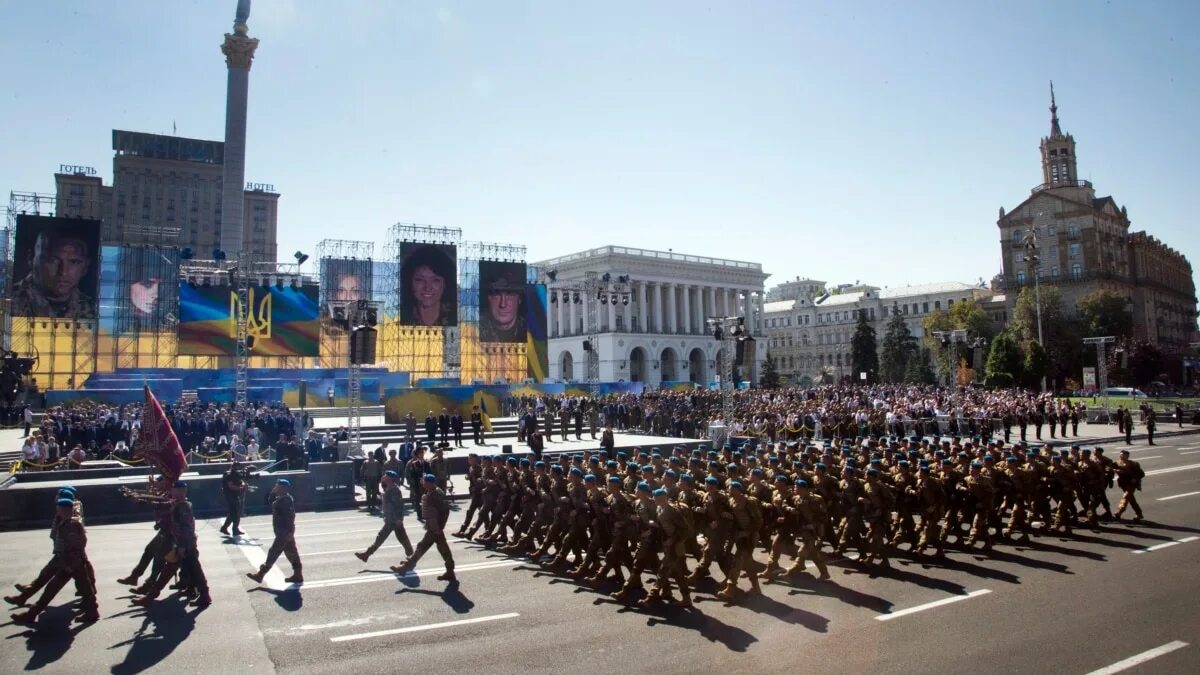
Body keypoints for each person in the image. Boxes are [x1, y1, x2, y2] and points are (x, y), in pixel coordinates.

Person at [9, 496, 98, 625]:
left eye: (60, 509)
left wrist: (68, 565)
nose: (58, 512)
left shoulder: (71, 525)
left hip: (70, 564)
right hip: (73, 563)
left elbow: (77, 545)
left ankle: (31, 614)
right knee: (85, 589)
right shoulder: (66, 522)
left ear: (67, 510)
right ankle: (92, 613)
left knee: (51, 589)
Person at [10, 225, 97, 319]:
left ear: (85, 267)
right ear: (31, 259)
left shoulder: (92, 309)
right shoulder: (9, 302)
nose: (63, 272)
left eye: (73, 262)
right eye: (52, 260)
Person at [391, 474, 456, 581]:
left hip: (435, 527)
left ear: (430, 482)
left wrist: (440, 527)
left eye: (424, 481)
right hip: (433, 526)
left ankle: (406, 567)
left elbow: (445, 511)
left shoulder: (436, 494)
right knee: (443, 548)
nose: (422, 482)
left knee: (422, 547)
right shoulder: (432, 492)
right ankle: (450, 571)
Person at [247, 479, 303, 585]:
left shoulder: (285, 500)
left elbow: (290, 517)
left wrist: (289, 532)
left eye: (277, 486)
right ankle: (298, 574)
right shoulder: (281, 498)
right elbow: (270, 502)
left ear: (283, 488)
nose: (275, 487)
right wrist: (273, 493)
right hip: (283, 532)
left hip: (284, 532)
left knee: (273, 552)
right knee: (292, 553)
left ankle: (260, 574)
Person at [356, 471, 414, 563]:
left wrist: (399, 519)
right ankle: (366, 555)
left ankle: (367, 554)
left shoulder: (394, 490)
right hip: (390, 518)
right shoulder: (389, 488)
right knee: (398, 537)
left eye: (386, 475)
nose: (383, 476)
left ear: (390, 478)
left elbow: (398, 505)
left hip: (394, 520)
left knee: (389, 537)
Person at [400, 244, 456, 326]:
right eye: (420, 280)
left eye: (435, 280)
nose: (427, 287)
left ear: (445, 284)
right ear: (409, 282)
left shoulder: (457, 317)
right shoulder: (399, 315)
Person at [479, 265, 526, 342]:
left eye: (509, 294)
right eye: (496, 295)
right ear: (488, 298)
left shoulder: (528, 330)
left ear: (519, 299)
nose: (503, 304)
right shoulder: (475, 329)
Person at [1113, 449, 1144, 522]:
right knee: (1131, 499)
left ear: (1127, 456)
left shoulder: (1134, 464)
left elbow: (1141, 474)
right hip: (1123, 483)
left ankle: (1119, 512)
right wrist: (1113, 470)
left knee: (1126, 496)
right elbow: (1108, 468)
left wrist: (1135, 479)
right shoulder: (1117, 463)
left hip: (1132, 483)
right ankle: (1139, 514)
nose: (1121, 456)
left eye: (1123, 455)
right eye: (1120, 454)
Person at [220, 461, 248, 536]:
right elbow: (231, 486)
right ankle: (234, 529)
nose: (237, 468)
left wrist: (243, 484)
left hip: (235, 495)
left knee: (234, 512)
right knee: (235, 512)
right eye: (235, 466)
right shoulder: (228, 474)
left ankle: (226, 527)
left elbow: (240, 480)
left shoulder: (236, 474)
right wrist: (240, 488)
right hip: (230, 495)